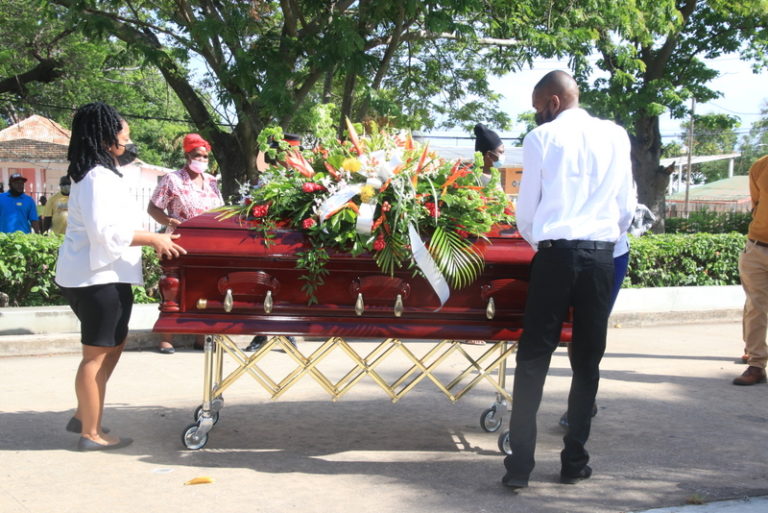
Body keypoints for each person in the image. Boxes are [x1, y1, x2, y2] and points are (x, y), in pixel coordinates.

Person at [501, 70, 636, 489]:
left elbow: (526, 212)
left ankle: (519, 469)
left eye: (538, 106)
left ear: (553, 103)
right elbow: (626, 207)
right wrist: (598, 243)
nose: (537, 114)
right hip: (599, 258)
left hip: (555, 257)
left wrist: (546, 241)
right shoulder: (616, 135)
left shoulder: (541, 139)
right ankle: (574, 462)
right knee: (587, 363)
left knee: (533, 362)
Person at [56, 102, 186, 451]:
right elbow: (105, 234)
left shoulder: (102, 173)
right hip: (97, 277)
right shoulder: (96, 177)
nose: (128, 142)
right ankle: (91, 434)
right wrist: (155, 239)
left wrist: (160, 229)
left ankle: (85, 415)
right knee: (96, 354)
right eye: (123, 136)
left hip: (106, 274)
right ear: (104, 137)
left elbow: (117, 224)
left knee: (113, 345)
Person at [148, 133, 224, 354]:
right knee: (174, 287)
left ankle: (201, 336)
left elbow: (219, 209)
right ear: (187, 154)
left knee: (205, 286)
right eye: (197, 155)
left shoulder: (211, 181)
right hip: (178, 240)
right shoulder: (172, 179)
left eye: (205, 156)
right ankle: (167, 337)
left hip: (208, 242)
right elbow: (153, 208)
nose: (201, 159)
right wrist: (169, 221)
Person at [244, 134, 302, 353]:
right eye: (289, 152)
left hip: (294, 243)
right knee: (264, 288)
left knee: (289, 288)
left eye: (295, 152)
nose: (292, 157)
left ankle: (288, 334)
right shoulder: (267, 179)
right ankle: (260, 335)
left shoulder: (304, 178)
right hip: (268, 241)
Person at [733, 155, 768, 386]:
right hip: (757, 247)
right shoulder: (761, 165)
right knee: (756, 305)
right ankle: (756, 364)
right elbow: (756, 203)